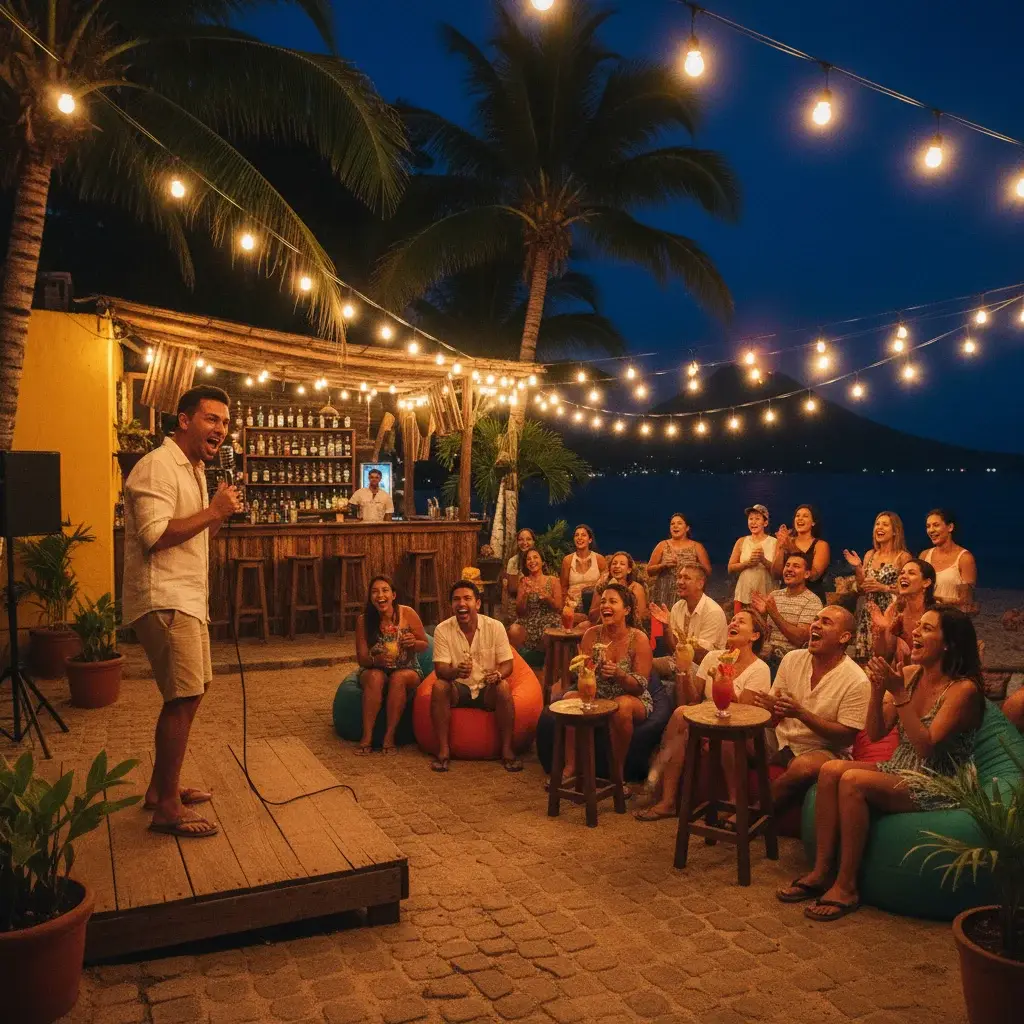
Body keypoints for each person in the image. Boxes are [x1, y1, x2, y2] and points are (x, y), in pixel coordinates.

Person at [778, 607, 984, 921]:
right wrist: (877, 690)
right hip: (901, 767)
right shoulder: (912, 675)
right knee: (830, 770)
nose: (915, 632)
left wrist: (898, 694)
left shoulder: (963, 690)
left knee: (853, 781)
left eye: (927, 629)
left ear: (948, 643)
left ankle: (846, 886)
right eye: (919, 626)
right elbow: (874, 732)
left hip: (938, 779)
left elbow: (926, 748)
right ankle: (821, 872)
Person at [123, 385, 243, 839]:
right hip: (164, 596)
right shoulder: (157, 466)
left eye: (225, 423)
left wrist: (213, 510)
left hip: (187, 597)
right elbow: (155, 535)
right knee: (184, 696)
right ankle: (168, 808)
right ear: (185, 420)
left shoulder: (192, 468)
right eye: (212, 419)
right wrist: (214, 511)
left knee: (195, 688)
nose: (220, 430)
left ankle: (160, 789)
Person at [637, 610, 770, 821]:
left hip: (742, 733)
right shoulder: (712, 657)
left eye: (741, 622)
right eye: (732, 619)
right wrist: (683, 670)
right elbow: (689, 698)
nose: (733, 623)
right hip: (707, 722)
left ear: (754, 636)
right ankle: (668, 800)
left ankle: (735, 804)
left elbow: (747, 716)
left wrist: (725, 680)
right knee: (681, 713)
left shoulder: (759, 669)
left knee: (729, 725)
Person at [761, 606, 870, 814]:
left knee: (804, 767)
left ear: (844, 637)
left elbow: (846, 736)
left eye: (826, 622)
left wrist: (801, 714)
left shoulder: (857, 680)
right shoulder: (792, 659)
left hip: (824, 750)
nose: (816, 625)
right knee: (733, 738)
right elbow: (776, 709)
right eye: (815, 619)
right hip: (780, 739)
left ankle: (755, 814)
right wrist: (769, 707)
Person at [554, 583, 652, 790]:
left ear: (626, 610)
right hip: (598, 694)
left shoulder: (639, 639)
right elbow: (581, 675)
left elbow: (640, 686)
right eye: (604, 601)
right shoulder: (591, 635)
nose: (605, 605)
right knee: (569, 700)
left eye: (613, 601)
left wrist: (619, 674)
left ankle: (617, 774)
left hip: (631, 696)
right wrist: (586, 667)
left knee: (621, 706)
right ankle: (571, 767)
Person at [430, 580, 519, 773]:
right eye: (456, 600)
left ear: (477, 604)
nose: (462, 603)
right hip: (458, 688)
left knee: (504, 687)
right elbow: (440, 669)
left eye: (467, 598)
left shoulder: (495, 627)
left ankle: (507, 750)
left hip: (487, 688)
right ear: (451, 605)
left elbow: (508, 664)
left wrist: (498, 674)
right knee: (438, 686)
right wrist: (456, 672)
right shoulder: (442, 630)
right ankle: (444, 751)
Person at [354, 576, 429, 754]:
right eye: (375, 591)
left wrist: (413, 642)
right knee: (375, 676)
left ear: (393, 595)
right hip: (375, 668)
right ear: (370, 598)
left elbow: (424, 644)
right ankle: (367, 737)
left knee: (398, 677)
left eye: (385, 590)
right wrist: (375, 661)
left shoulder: (407, 613)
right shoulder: (363, 621)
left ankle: (389, 736)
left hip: (407, 668)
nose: (380, 595)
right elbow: (362, 660)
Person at [650, 564, 729, 704]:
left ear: (700, 583)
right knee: (646, 664)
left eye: (686, 578)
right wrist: (667, 628)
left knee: (683, 669)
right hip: (678, 660)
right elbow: (673, 649)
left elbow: (702, 657)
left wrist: (683, 652)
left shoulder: (713, 612)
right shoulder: (677, 607)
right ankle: (655, 705)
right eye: (679, 577)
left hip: (706, 666)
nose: (680, 582)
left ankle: (684, 716)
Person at [843, 511, 911, 662]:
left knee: (885, 658)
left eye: (885, 524)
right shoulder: (870, 554)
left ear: (895, 531)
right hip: (868, 612)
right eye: (877, 524)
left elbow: (908, 589)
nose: (879, 528)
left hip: (889, 612)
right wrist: (858, 567)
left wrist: (883, 588)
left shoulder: (903, 557)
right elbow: (862, 586)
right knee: (865, 660)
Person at [752, 550, 823, 675]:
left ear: (807, 574)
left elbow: (800, 640)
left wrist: (773, 613)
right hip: (765, 657)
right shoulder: (774, 595)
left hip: (790, 661)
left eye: (796, 566)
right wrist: (762, 615)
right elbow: (767, 633)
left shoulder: (813, 601)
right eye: (787, 565)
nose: (789, 569)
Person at [869, 558, 936, 664]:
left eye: (911, 573)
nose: (903, 576)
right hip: (901, 675)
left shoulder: (936, 614)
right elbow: (883, 657)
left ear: (926, 582)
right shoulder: (894, 610)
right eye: (902, 573)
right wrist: (882, 630)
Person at [646, 513, 712, 608]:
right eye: (672, 524)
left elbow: (708, 571)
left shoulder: (697, 546)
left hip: (688, 594)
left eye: (679, 523)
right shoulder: (662, 545)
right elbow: (649, 571)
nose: (675, 526)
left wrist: (692, 569)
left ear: (687, 528)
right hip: (664, 594)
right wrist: (663, 565)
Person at [508, 547, 562, 657]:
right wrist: (525, 596)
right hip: (528, 620)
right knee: (513, 629)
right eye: (528, 559)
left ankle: (547, 664)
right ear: (526, 564)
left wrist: (547, 597)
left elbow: (558, 608)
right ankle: (519, 664)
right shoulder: (524, 582)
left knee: (549, 630)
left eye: (535, 557)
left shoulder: (553, 580)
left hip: (549, 619)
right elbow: (519, 612)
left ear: (542, 562)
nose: (532, 561)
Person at [772, 504, 831, 603]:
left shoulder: (821, 545)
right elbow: (775, 574)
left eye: (805, 516)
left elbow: (813, 576)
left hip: (812, 599)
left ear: (813, 522)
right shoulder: (785, 541)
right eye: (797, 516)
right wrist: (781, 547)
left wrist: (792, 549)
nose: (800, 518)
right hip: (786, 598)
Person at [921, 509, 977, 608]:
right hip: (926, 618)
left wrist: (944, 601)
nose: (931, 530)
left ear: (950, 527)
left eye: (936, 525)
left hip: (951, 619)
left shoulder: (964, 558)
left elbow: (967, 602)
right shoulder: (924, 555)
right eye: (928, 526)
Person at [728, 504, 777, 613]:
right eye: (750, 519)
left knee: (764, 628)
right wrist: (748, 563)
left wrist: (763, 560)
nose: (753, 522)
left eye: (757, 518)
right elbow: (730, 568)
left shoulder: (774, 542)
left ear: (765, 522)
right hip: (743, 595)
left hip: (766, 596)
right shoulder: (741, 541)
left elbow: (778, 571)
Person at [560, 524, 607, 625]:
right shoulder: (567, 560)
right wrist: (567, 605)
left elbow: (606, 585)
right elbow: (563, 587)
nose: (579, 538)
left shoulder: (599, 559)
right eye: (576, 535)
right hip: (573, 607)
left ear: (590, 540)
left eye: (583, 535)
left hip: (594, 607)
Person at [589, 551, 648, 627]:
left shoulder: (636, 588)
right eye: (614, 563)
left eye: (622, 564)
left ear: (629, 570)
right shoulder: (601, 586)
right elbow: (592, 616)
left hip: (629, 628)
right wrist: (606, 596)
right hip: (603, 626)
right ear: (610, 569)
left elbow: (641, 618)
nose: (617, 566)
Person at [502, 528, 537, 603]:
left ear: (533, 541)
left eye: (528, 539)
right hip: (518, 602)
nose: (524, 543)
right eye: (521, 539)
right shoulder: (513, 561)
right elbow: (512, 589)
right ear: (517, 542)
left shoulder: (540, 560)